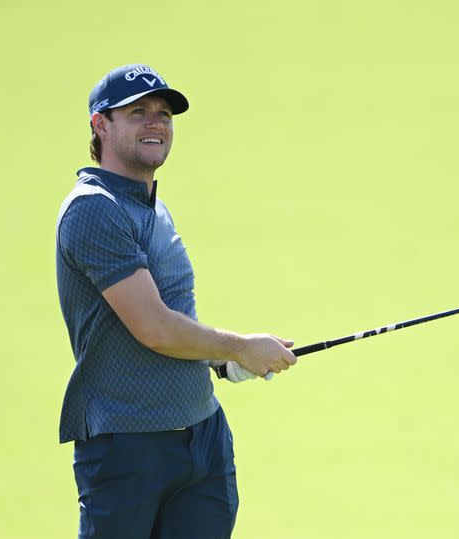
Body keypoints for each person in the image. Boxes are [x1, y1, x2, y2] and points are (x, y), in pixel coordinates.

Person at [55, 64, 297, 539]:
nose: (156, 123)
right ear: (100, 125)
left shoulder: (150, 204)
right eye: (138, 112)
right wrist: (238, 347)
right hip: (127, 447)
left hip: (202, 437)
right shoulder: (93, 209)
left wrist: (217, 360)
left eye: (164, 113)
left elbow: (175, 319)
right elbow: (155, 329)